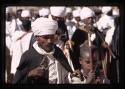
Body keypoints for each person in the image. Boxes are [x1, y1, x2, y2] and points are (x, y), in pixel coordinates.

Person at [12, 18, 73, 84]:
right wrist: (30, 75)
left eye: (52, 37)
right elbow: (17, 81)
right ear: (36, 37)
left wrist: (72, 75)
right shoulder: (28, 56)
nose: (49, 41)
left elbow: (65, 75)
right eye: (45, 37)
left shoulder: (58, 52)